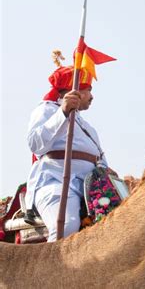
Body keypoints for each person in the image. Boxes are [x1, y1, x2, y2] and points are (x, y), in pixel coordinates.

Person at [24, 50, 108, 242]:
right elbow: (35, 144)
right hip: (57, 183)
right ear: (74, 91)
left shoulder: (87, 125)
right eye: (88, 90)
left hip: (92, 189)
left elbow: (101, 158)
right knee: (66, 226)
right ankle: (52, 272)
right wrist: (62, 112)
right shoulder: (46, 109)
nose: (91, 96)